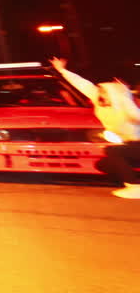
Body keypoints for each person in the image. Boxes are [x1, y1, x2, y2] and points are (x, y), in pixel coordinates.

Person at [51, 58, 140, 198]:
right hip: (128, 146)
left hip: (138, 144)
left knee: (112, 151)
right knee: (102, 164)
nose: (99, 94)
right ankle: (132, 179)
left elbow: (136, 115)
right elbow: (82, 84)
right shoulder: (98, 100)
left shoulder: (124, 104)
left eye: (103, 92)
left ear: (113, 94)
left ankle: (134, 186)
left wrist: (125, 93)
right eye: (99, 91)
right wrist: (62, 70)